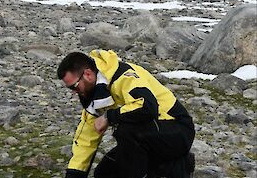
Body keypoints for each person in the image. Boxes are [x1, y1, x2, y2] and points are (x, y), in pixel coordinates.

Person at [57, 49, 195, 178]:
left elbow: (147, 106)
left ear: (87, 74)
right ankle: (171, 166)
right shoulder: (94, 95)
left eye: (73, 87)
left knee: (126, 131)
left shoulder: (124, 76)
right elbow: (86, 140)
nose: (74, 92)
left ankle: (170, 166)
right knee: (104, 172)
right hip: (150, 134)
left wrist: (109, 116)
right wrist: (74, 174)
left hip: (178, 129)